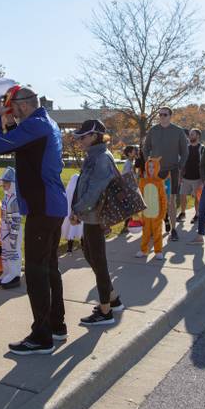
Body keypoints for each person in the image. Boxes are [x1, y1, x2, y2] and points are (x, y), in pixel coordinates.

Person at [0, 86, 67, 356]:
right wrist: (10, 126)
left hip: (43, 208)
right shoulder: (45, 123)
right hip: (51, 206)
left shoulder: (36, 125)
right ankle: (57, 326)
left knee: (35, 272)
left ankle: (41, 336)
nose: (10, 111)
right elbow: (23, 148)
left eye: (12, 107)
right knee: (49, 268)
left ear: (23, 105)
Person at [69, 120, 125, 326]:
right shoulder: (95, 156)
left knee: (98, 261)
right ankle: (112, 299)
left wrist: (77, 210)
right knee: (89, 252)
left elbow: (94, 191)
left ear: (94, 136)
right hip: (90, 215)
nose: (79, 140)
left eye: (82, 137)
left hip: (95, 216)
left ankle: (105, 311)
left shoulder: (101, 158)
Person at [142, 106, 188, 243]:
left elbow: (185, 152)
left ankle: (173, 229)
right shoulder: (153, 130)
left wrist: (180, 166)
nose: (162, 117)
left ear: (170, 116)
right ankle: (156, 227)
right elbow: (146, 148)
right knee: (154, 201)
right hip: (156, 171)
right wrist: (148, 164)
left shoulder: (178, 131)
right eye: (160, 114)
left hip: (172, 170)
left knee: (171, 201)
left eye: (165, 114)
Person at [0, 167, 23, 289]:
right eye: (3, 183)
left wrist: (12, 234)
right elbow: (4, 214)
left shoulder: (15, 200)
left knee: (13, 252)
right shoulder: (6, 197)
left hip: (13, 231)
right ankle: (7, 272)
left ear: (13, 184)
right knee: (5, 253)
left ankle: (14, 273)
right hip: (5, 230)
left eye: (7, 183)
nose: (4, 185)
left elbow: (16, 219)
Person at [179, 129, 203, 225]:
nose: (190, 136)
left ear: (198, 136)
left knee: (197, 198)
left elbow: (204, 164)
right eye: (190, 134)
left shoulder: (202, 148)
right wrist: (180, 176)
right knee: (182, 196)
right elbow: (182, 163)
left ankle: (197, 215)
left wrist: (203, 179)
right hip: (186, 177)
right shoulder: (186, 148)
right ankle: (183, 213)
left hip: (197, 178)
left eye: (192, 134)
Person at [118, 145, 139, 234]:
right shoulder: (128, 163)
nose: (136, 152)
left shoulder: (131, 162)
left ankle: (127, 225)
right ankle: (126, 225)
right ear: (129, 153)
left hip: (131, 188)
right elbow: (125, 176)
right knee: (130, 208)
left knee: (131, 207)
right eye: (134, 151)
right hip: (128, 188)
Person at [61, 173, 84, 252]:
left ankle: (70, 247)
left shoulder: (69, 187)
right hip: (78, 212)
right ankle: (83, 245)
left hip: (70, 213)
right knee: (80, 228)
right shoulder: (80, 187)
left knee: (71, 228)